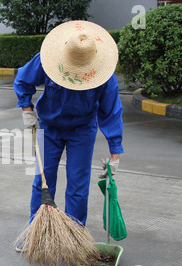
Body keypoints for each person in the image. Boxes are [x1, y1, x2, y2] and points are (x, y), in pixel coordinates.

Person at [14, 21, 123, 230]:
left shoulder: (104, 73)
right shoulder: (48, 59)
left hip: (82, 130)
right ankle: (38, 231)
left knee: (78, 185)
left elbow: (111, 112)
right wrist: (26, 109)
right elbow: (22, 80)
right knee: (43, 181)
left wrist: (115, 153)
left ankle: (74, 233)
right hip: (50, 128)